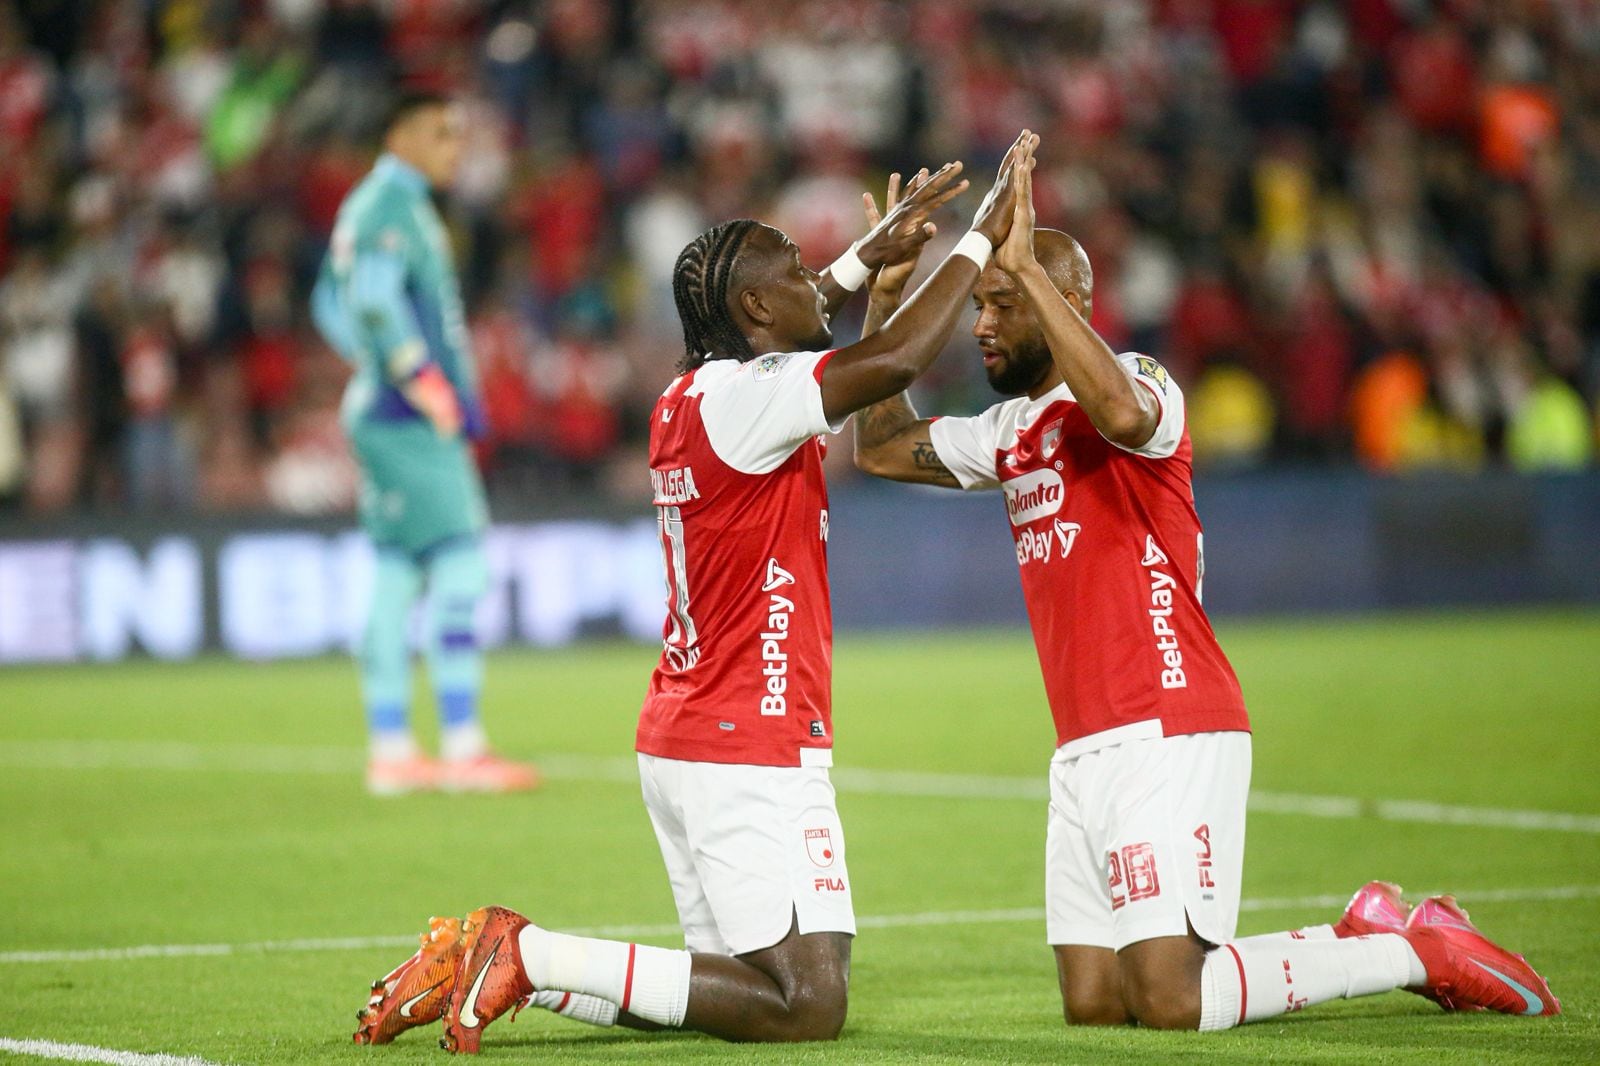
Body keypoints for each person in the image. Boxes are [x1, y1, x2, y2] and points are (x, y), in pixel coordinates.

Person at [349, 132, 1041, 1053]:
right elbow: (899, 360)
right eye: (794, 270)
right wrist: (981, 237)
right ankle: (527, 952)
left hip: (687, 736)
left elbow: (803, 323)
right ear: (755, 306)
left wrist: (861, 262)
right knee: (806, 1004)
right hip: (748, 738)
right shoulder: (755, 397)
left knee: (734, 997)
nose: (815, 280)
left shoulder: (691, 397)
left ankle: (505, 970)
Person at [851, 152, 1560, 1029]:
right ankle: (1361, 931)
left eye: (1000, 303)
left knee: (1172, 999)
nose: (980, 324)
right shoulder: (1008, 431)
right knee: (1097, 1005)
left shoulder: (1146, 383)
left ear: (1063, 302)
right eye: (979, 306)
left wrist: (1023, 261)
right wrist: (886, 299)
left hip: (1169, 723)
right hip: (1083, 745)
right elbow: (879, 447)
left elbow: (1119, 413)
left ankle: (1419, 952)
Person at [311, 90, 538, 796]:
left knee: (397, 570)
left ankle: (392, 748)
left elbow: (329, 302)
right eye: (441, 133)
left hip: (383, 412)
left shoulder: (377, 207)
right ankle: (462, 747)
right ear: (400, 135)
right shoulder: (390, 206)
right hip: (407, 419)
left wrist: (372, 366)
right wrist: (417, 378)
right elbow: (372, 301)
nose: (454, 147)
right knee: (461, 566)